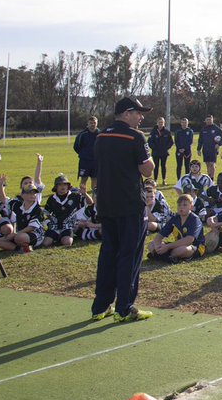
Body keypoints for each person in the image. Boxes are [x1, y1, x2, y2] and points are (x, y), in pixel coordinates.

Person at [90, 97, 155, 323]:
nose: (141, 117)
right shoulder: (135, 136)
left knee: (108, 253)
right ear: (126, 113)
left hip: (106, 204)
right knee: (129, 255)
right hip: (129, 204)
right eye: (138, 112)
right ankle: (124, 307)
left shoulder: (101, 136)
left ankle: (100, 305)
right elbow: (147, 170)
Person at [148, 193, 205, 262]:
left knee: (183, 250)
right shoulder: (175, 218)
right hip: (177, 245)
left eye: (185, 205)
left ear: (191, 207)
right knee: (151, 244)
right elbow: (160, 235)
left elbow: (189, 240)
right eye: (179, 205)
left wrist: (167, 247)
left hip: (194, 246)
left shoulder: (195, 219)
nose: (181, 207)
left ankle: (161, 256)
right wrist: (157, 246)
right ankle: (168, 256)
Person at [42, 173, 84, 247]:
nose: (63, 186)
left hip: (68, 226)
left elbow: (90, 204)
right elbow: (46, 212)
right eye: (60, 184)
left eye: (65, 184)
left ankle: (66, 236)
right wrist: (50, 221)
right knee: (46, 243)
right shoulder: (52, 198)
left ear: (68, 186)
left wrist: (85, 194)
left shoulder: (75, 196)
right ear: (56, 187)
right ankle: (57, 236)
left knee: (67, 242)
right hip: (55, 226)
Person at [73, 116, 100, 193]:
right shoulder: (82, 134)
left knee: (95, 179)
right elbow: (76, 146)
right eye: (91, 123)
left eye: (94, 123)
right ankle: (82, 196)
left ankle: (94, 197)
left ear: (97, 123)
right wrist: (83, 154)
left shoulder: (100, 134)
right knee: (84, 178)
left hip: (96, 161)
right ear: (87, 124)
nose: (92, 124)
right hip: (85, 161)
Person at [197, 115, 222, 180]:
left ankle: (212, 178)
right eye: (207, 120)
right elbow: (200, 140)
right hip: (205, 149)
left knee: (212, 163)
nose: (209, 121)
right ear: (205, 120)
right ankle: (209, 178)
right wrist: (198, 149)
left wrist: (219, 144)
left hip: (213, 149)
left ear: (212, 120)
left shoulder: (216, 129)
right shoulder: (203, 129)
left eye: (210, 119)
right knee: (207, 164)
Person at [147, 117, 173, 185]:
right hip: (156, 153)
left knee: (163, 166)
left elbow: (171, 142)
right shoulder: (153, 132)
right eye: (159, 122)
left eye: (162, 122)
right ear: (157, 123)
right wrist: (154, 148)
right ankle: (155, 180)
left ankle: (164, 180)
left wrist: (166, 148)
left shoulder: (167, 132)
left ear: (164, 123)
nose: (160, 124)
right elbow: (149, 142)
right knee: (156, 166)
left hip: (164, 153)